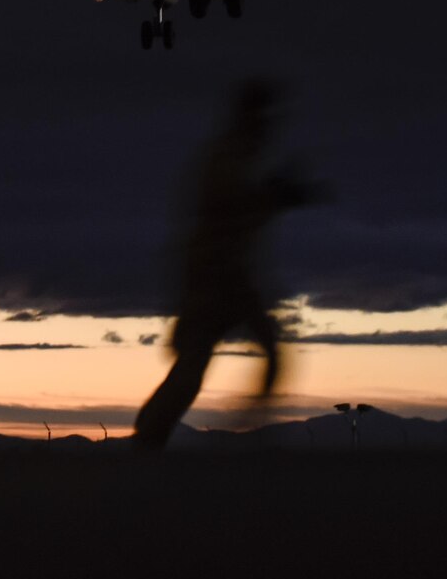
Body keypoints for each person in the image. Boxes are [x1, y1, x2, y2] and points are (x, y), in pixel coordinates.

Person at [132, 79, 321, 449]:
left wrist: (279, 195)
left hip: (226, 274)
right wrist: (278, 194)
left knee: (213, 360)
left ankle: (159, 435)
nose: (268, 124)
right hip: (213, 275)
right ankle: (154, 436)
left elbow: (241, 208)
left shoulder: (237, 156)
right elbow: (229, 205)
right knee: (197, 364)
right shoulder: (227, 156)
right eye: (264, 116)